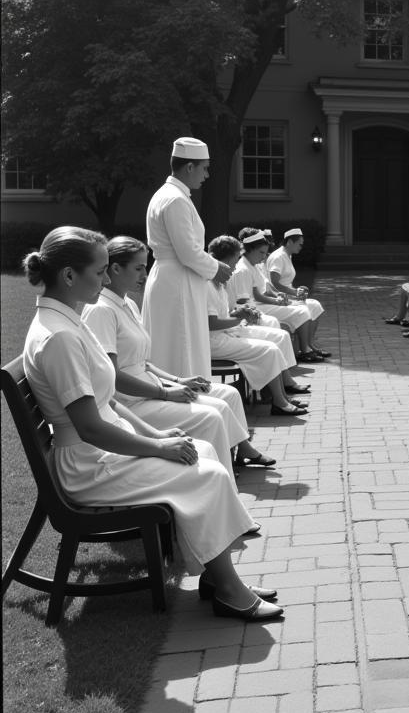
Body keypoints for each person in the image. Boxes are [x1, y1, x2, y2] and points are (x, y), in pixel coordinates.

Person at [22, 227, 282, 622]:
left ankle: (218, 577)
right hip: (88, 465)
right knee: (206, 473)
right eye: (99, 271)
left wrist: (157, 434)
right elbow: (90, 427)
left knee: (206, 450)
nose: (106, 278)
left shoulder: (69, 321)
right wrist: (158, 447)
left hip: (102, 449)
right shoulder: (58, 336)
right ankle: (228, 589)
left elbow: (106, 401)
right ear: (69, 276)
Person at [82, 236, 276, 476]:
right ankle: (218, 478)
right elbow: (113, 377)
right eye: (139, 268)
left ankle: (234, 459)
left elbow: (143, 362)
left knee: (229, 395)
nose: (145, 273)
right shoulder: (101, 310)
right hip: (133, 401)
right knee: (212, 416)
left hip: (152, 388)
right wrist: (165, 393)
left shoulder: (128, 304)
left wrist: (179, 380)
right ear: (115, 268)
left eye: (146, 266)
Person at [141, 137, 233, 380]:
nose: (207, 174)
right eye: (204, 168)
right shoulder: (175, 200)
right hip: (177, 282)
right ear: (189, 167)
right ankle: (186, 396)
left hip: (173, 278)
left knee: (175, 342)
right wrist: (216, 268)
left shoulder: (171, 195)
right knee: (181, 344)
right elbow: (188, 252)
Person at [208, 236, 310, 416]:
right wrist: (240, 318)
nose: (234, 267)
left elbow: (226, 312)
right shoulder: (208, 285)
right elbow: (212, 323)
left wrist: (239, 314)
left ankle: (280, 396)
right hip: (215, 341)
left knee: (276, 340)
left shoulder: (219, 282)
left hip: (229, 332)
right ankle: (279, 401)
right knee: (269, 348)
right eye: (233, 262)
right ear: (223, 261)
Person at [231, 228, 322, 363]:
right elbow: (254, 297)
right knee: (302, 311)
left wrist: (278, 296)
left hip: (260, 305)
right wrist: (277, 301)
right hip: (256, 307)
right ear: (250, 249)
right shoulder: (243, 269)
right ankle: (303, 351)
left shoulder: (254, 265)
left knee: (310, 307)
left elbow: (266, 287)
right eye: (262, 252)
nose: (264, 257)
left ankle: (305, 348)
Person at [266, 228, 329, 357]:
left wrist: (297, 291)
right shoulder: (278, 257)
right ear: (289, 242)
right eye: (299, 243)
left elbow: (285, 281)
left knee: (315, 305)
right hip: (279, 297)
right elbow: (275, 283)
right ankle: (304, 350)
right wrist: (294, 293)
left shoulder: (287, 255)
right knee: (305, 308)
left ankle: (310, 345)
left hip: (288, 295)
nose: (301, 246)